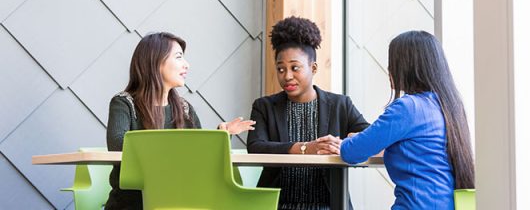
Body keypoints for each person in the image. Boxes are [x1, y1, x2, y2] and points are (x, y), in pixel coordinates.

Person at [105, 32, 255, 210]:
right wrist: (178, 149)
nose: (187, 65)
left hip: (181, 203)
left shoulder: (184, 108)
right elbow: (118, 144)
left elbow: (201, 159)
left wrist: (221, 135)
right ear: (155, 62)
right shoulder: (124, 102)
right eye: (179, 57)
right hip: (131, 205)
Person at [340, 30, 475, 210]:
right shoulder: (449, 107)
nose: (389, 70)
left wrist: (348, 140)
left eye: (393, 64)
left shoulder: (409, 107)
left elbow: (352, 152)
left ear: (407, 67)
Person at [247, 16, 369, 210]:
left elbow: (370, 138)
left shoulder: (340, 105)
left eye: (295, 68)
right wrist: (305, 148)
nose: (287, 76)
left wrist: (345, 144)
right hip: (278, 205)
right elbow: (256, 147)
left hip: (329, 205)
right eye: (280, 69)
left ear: (313, 68)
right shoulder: (264, 107)